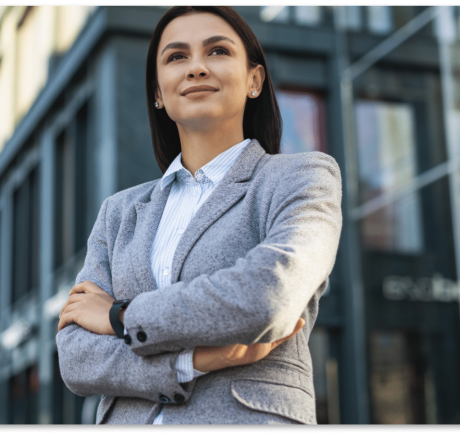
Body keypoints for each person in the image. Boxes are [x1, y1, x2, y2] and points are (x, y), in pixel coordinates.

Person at [56, 5, 342, 425]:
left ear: (254, 80)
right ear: (158, 91)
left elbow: (267, 296)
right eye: (176, 57)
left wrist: (120, 315)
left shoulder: (301, 177)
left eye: (218, 52)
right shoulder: (119, 213)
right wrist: (194, 361)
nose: (196, 69)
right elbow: (77, 358)